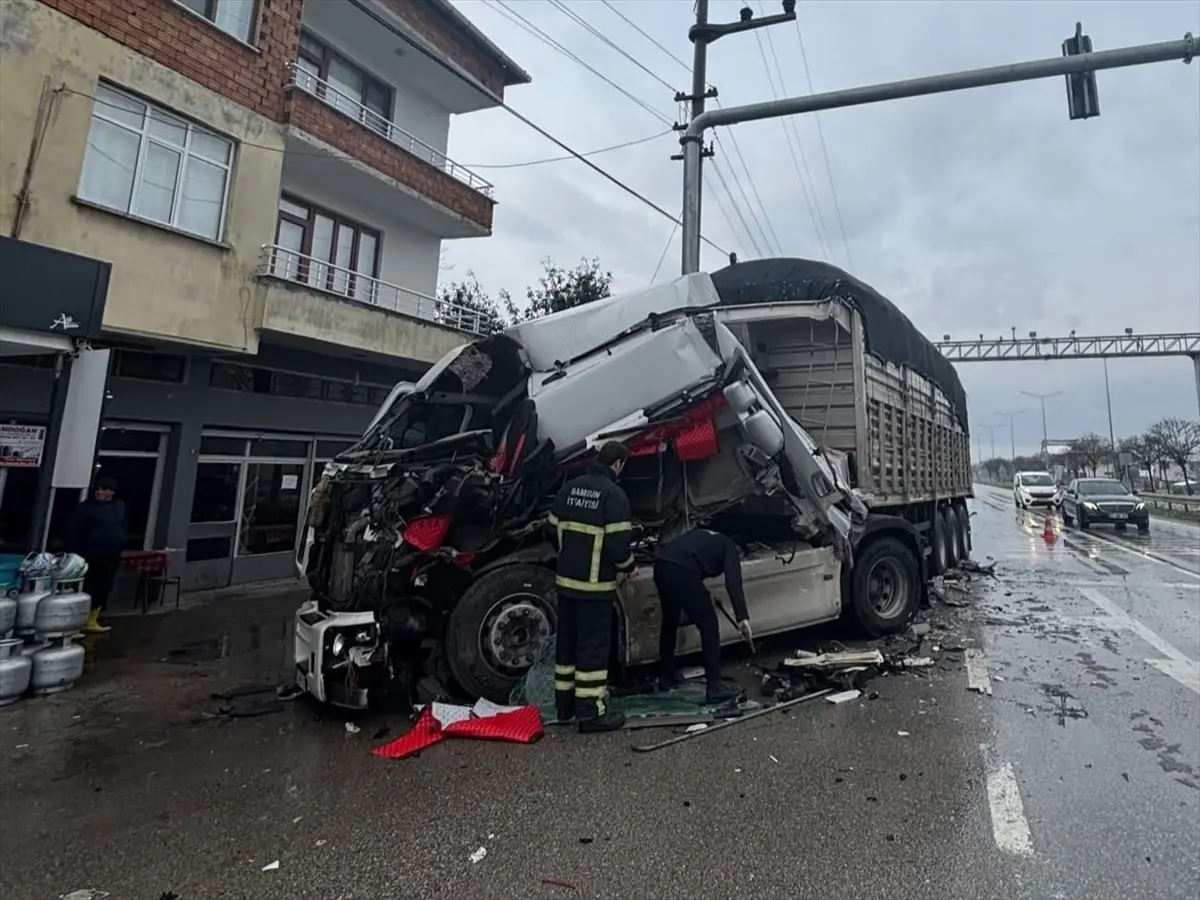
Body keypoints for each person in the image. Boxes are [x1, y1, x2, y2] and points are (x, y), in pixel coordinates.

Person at [548, 441, 635, 733]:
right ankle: (591, 713)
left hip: (566, 584)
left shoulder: (570, 488)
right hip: (595, 588)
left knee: (567, 646)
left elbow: (551, 531)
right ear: (618, 464)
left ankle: (565, 707)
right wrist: (629, 567)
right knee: (593, 649)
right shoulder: (615, 495)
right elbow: (619, 546)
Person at [653, 528, 753, 704]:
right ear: (739, 550)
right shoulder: (730, 547)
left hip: (662, 566)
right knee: (709, 625)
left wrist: (703, 592)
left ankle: (666, 676)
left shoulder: (708, 536)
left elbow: (692, 561)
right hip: (682, 572)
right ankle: (714, 686)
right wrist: (742, 617)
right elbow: (733, 582)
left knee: (670, 620)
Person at [65, 476, 128, 634]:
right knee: (85, 587)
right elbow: (73, 530)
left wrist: (121, 541)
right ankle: (76, 624)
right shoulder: (85, 508)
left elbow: (123, 525)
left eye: (104, 489)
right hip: (88, 554)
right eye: (98, 489)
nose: (100, 492)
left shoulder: (119, 506)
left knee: (103, 586)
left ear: (112, 492)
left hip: (110, 554)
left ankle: (92, 619)